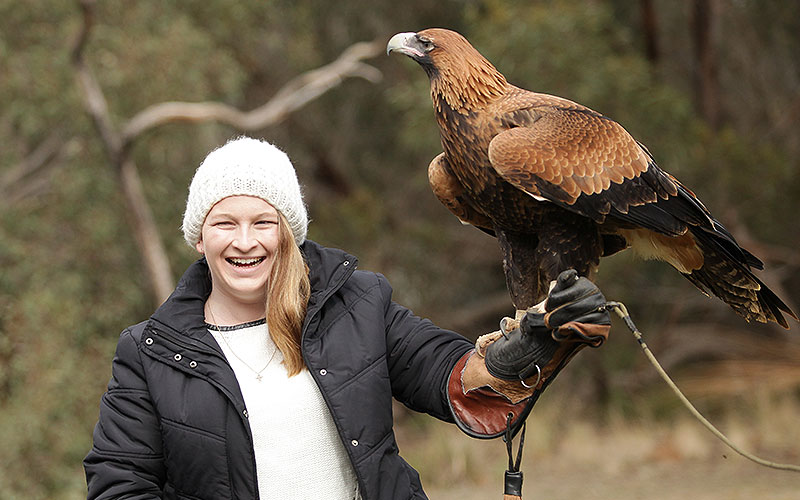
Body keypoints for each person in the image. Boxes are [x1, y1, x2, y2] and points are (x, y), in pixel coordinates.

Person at [84, 136, 611, 500]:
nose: (244, 242)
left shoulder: (356, 302)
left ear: (288, 231)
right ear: (200, 236)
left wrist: (520, 350)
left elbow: (444, 372)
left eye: (262, 222)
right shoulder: (150, 351)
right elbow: (118, 483)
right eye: (225, 223)